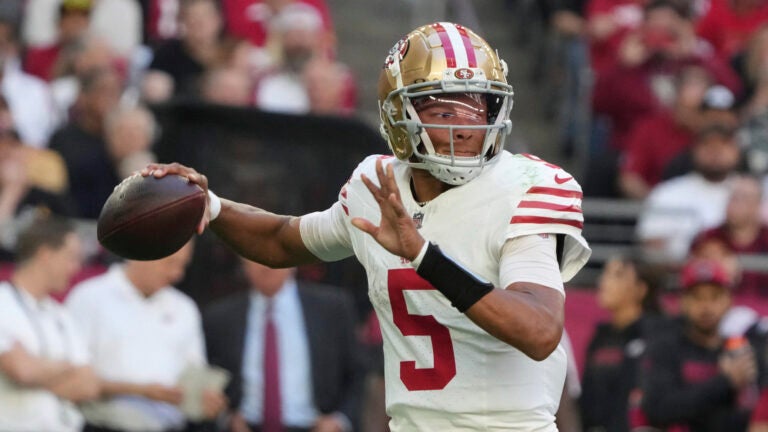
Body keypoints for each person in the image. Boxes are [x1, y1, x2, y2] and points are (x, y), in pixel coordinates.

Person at [143, 22, 591, 430]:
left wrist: (423, 255)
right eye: (444, 110)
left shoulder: (527, 186)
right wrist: (212, 205)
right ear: (401, 118)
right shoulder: (376, 186)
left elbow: (538, 332)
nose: (468, 126)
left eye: (479, 105)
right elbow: (282, 239)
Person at [65, 241, 227, 432]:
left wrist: (206, 401)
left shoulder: (185, 308)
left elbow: (195, 375)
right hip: (102, 425)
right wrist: (142, 391)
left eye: (183, 265)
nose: (177, 274)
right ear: (141, 255)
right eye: (170, 263)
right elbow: (68, 380)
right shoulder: (88, 298)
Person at [203, 259, 363, 432]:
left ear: (292, 258)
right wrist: (227, 418)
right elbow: (209, 380)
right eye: (255, 255)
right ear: (242, 262)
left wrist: (339, 420)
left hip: (314, 425)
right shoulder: (220, 318)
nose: (266, 264)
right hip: (246, 426)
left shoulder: (332, 308)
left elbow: (357, 372)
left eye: (272, 254)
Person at [0, 215, 101, 432]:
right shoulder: (3, 302)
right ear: (45, 255)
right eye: (71, 258)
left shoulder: (61, 315)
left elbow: (89, 386)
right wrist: (67, 368)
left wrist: (38, 370)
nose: (76, 268)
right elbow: (22, 370)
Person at [641, 259, 761, 431]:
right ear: (683, 301)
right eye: (697, 297)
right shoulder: (666, 348)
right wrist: (725, 382)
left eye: (715, 297)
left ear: (728, 300)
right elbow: (658, 408)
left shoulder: (742, 351)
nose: (706, 306)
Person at [579, 254, 667, 432]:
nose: (603, 282)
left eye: (617, 275)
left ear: (640, 289)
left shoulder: (659, 336)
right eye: (605, 274)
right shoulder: (600, 336)